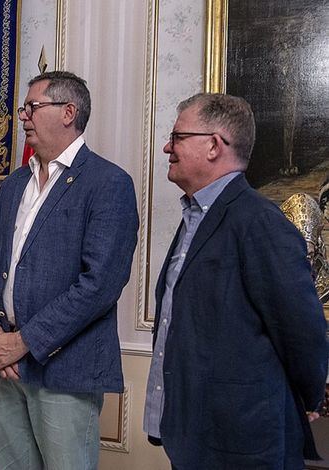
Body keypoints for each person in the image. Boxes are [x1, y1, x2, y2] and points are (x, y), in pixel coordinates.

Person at [144, 92, 328, 469]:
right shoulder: (196, 218)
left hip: (243, 442)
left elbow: (301, 331)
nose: (167, 147)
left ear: (214, 145)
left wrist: (307, 397)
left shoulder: (259, 223)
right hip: (195, 436)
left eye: (178, 137)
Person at [0, 71, 139, 470]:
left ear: (68, 112)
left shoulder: (108, 183)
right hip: (3, 364)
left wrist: (24, 341)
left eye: (32, 107)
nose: (23, 116)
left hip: (66, 369)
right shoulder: (14, 185)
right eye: (24, 108)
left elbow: (99, 284)